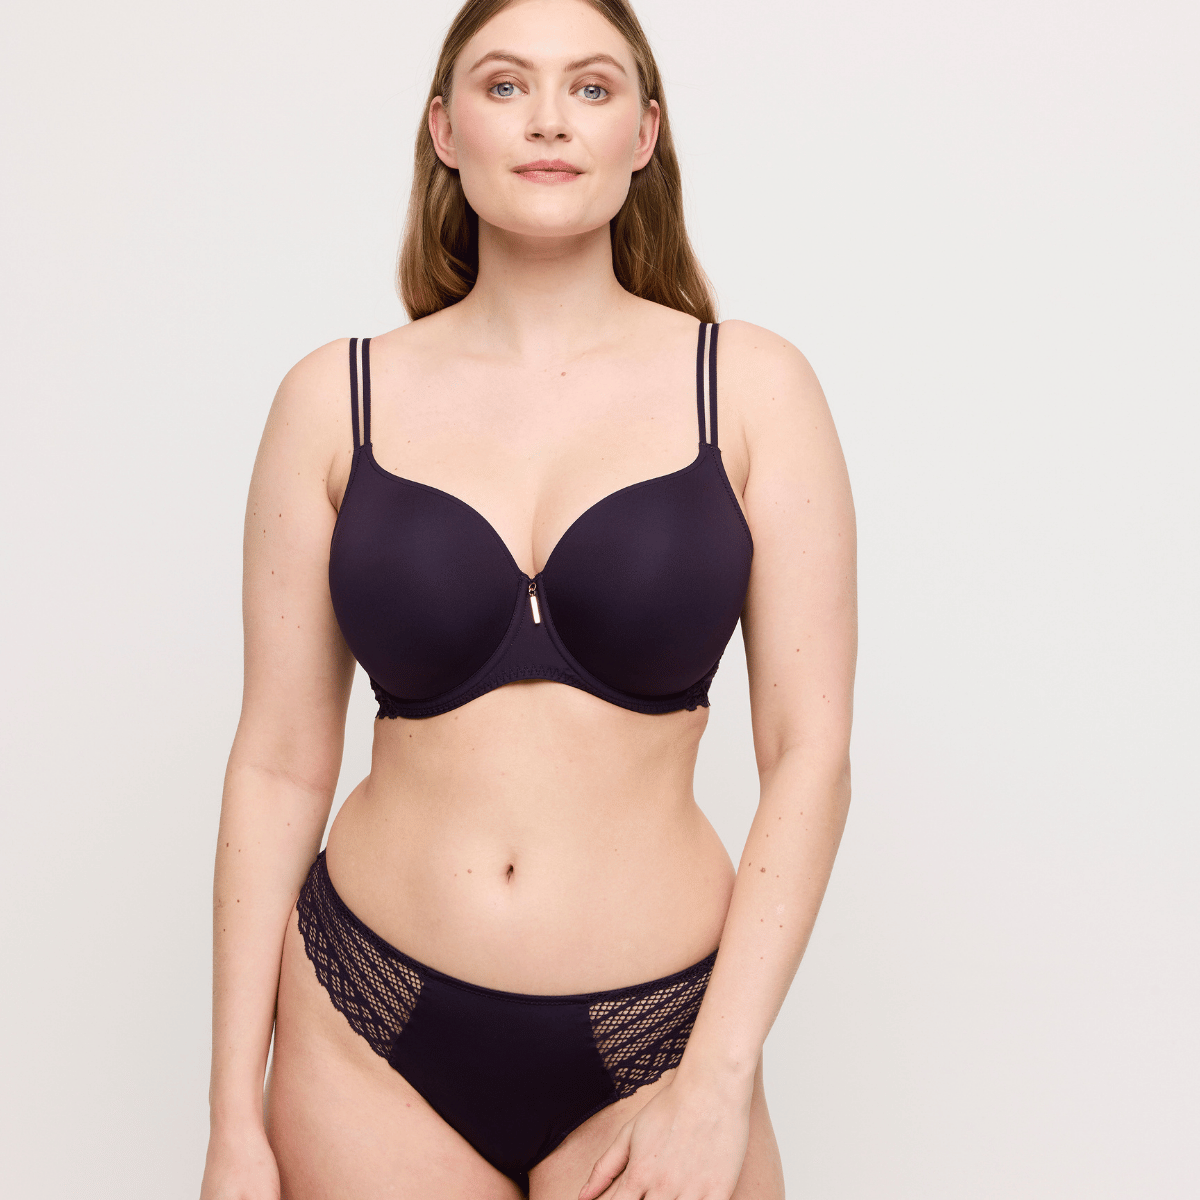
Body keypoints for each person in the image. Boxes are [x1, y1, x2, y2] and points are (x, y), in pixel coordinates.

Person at [200, 0, 856, 1196]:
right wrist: (231, 1120)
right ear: (445, 130)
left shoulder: (751, 389)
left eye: (591, 88)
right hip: (366, 1031)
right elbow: (279, 764)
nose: (549, 119)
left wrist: (717, 1079)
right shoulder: (333, 399)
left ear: (643, 134)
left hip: (661, 1043)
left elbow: (809, 757)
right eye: (506, 85)